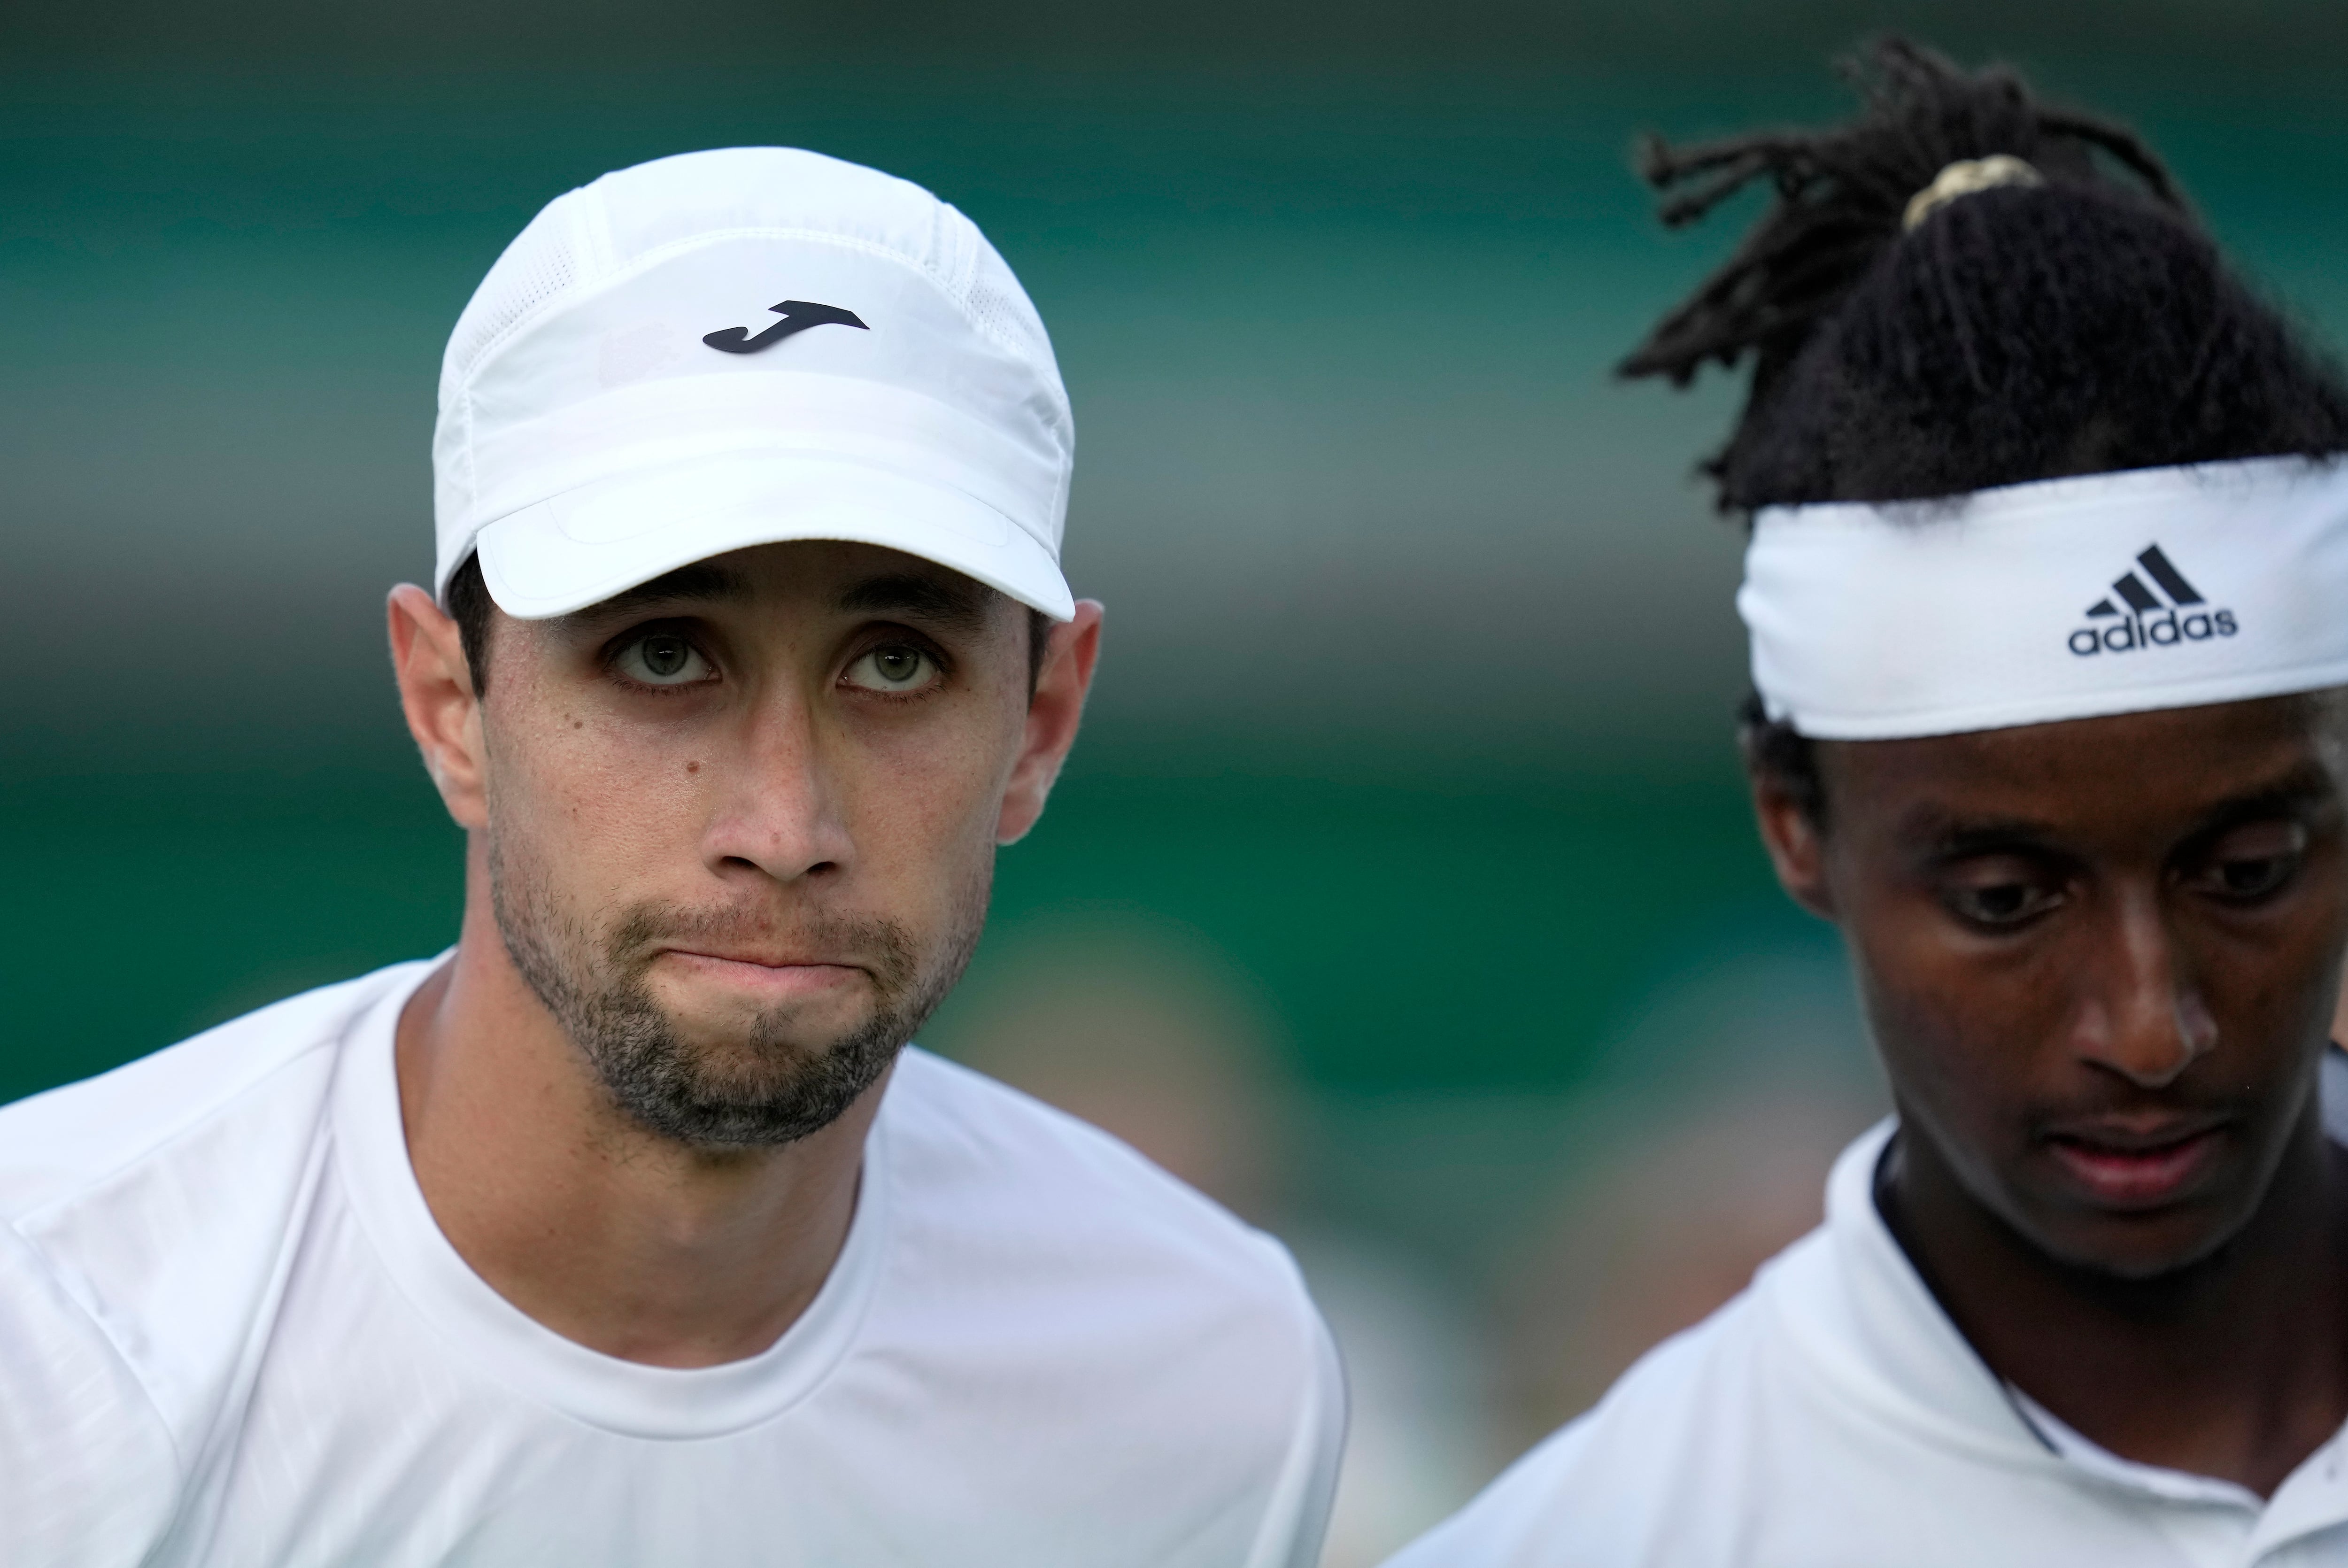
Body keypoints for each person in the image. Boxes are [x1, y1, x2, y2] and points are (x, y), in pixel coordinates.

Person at [0, 147, 1343, 1567]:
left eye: (894, 664)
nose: (782, 826)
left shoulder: (1208, 1386)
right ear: (450, 703)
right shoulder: (48, 1345)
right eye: (661, 653)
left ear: (1042, 723)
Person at [1387, 40, 2348, 1566]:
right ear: (1794, 821)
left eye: (2246, 868)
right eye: (2005, 899)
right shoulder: (1615, 1536)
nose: (2152, 1026)